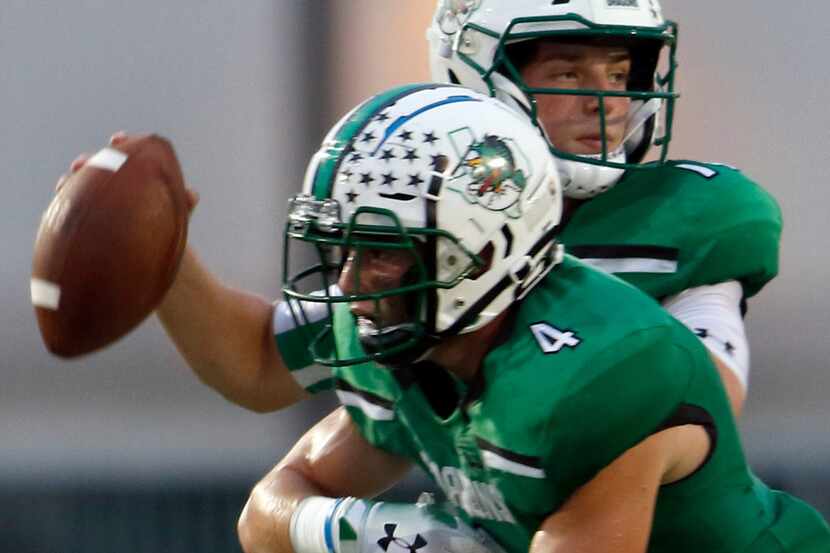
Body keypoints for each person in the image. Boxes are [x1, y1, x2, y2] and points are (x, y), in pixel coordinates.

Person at [234, 84, 829, 553]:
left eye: (384, 251)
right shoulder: (410, 339)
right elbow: (266, 514)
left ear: (481, 250)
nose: (349, 285)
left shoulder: (606, 367)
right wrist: (381, 536)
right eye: (349, 249)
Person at [425, 0, 782, 416]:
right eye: (568, 73)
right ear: (478, 77)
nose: (607, 102)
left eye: (618, 74)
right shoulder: (427, 219)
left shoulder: (680, 215)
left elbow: (701, 408)